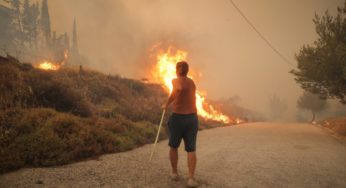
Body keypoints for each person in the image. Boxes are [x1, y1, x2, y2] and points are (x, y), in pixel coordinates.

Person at [163, 61, 199, 187]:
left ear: (177, 70)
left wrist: (167, 104)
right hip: (192, 118)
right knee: (191, 149)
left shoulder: (176, 80)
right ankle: (191, 179)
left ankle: (174, 173)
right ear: (187, 71)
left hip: (178, 118)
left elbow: (178, 89)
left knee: (173, 146)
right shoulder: (192, 82)